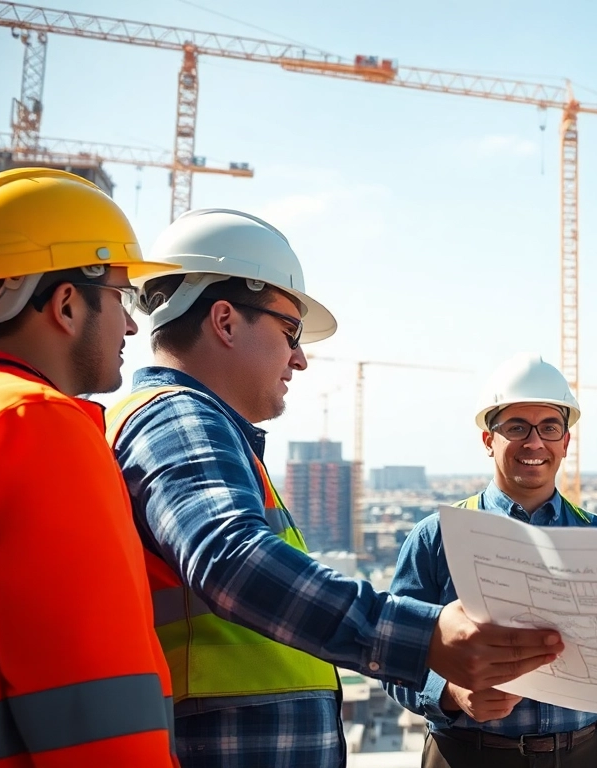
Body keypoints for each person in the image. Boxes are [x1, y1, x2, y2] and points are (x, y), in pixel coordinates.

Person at [107, 210, 563, 767]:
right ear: (225, 321)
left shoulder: (199, 428)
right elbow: (231, 558)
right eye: (289, 331)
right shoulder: (178, 418)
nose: (298, 358)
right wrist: (423, 637)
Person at [0, 168, 180, 765]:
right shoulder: (35, 427)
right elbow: (94, 704)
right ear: (68, 304)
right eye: (121, 298)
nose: (132, 324)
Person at [387, 353, 597, 768]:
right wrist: (451, 693)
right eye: (517, 428)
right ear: (489, 440)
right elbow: (394, 656)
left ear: (566, 441)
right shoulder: (437, 536)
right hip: (466, 755)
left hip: (583, 755)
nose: (534, 442)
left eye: (549, 427)